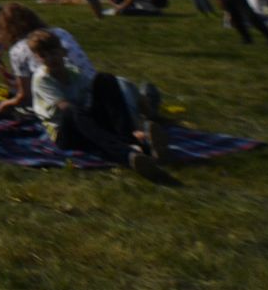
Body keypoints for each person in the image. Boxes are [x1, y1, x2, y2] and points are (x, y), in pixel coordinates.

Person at [25, 29, 174, 184]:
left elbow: (93, 96)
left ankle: (133, 140)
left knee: (105, 79)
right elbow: (65, 108)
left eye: (52, 52)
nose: (49, 58)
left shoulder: (73, 72)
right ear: (37, 59)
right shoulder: (42, 79)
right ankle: (125, 153)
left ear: (63, 52)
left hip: (84, 122)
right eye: (43, 55)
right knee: (72, 110)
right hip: (65, 133)